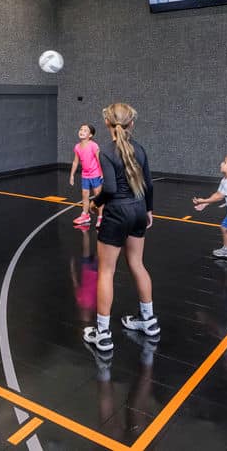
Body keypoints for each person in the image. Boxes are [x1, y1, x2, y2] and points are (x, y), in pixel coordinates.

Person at [82, 103, 159, 352]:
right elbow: (149, 184)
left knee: (106, 272)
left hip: (116, 213)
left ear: (107, 124)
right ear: (131, 124)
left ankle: (102, 334)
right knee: (138, 264)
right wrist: (147, 210)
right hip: (137, 210)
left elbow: (112, 189)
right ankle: (148, 321)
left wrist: (96, 203)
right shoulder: (140, 148)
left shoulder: (105, 151)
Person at [69, 123, 103, 228]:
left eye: (85, 130)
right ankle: (85, 215)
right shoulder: (77, 147)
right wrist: (72, 175)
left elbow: (99, 160)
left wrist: (102, 173)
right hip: (85, 175)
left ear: (90, 135)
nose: (82, 131)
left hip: (96, 174)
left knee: (99, 196)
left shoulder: (93, 145)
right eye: (81, 129)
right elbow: (75, 162)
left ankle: (101, 217)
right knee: (85, 195)